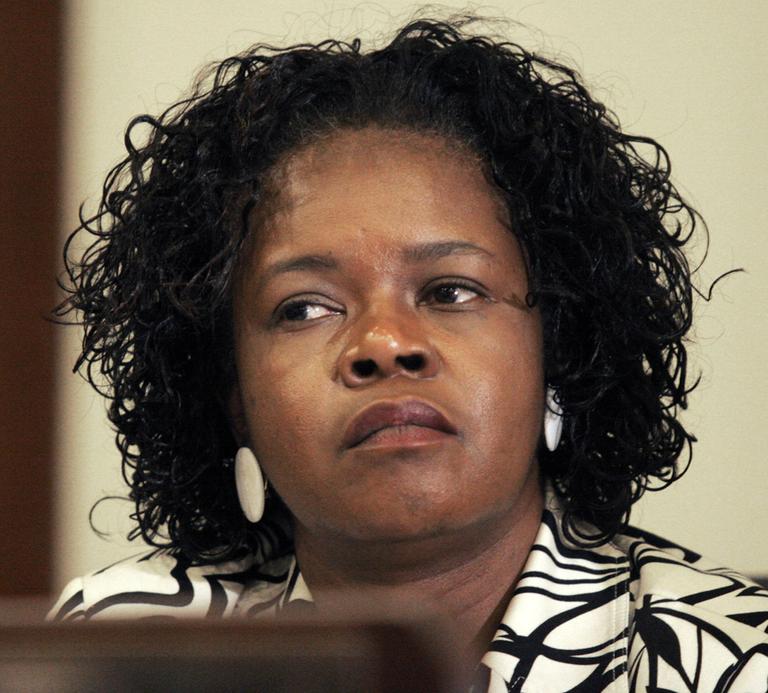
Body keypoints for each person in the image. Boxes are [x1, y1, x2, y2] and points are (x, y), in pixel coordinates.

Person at [49, 15, 767, 691]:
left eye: (451, 291)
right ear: (233, 395)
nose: (385, 346)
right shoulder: (125, 648)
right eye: (304, 307)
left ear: (558, 348)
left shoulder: (726, 661)